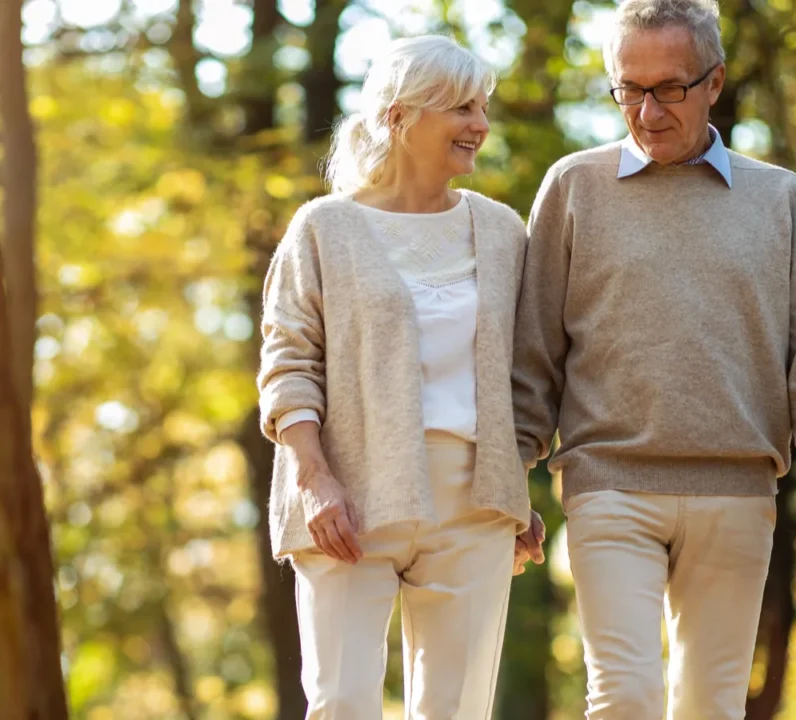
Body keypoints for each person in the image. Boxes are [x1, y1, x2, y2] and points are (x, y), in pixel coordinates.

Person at [511, 1, 796, 718]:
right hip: (607, 480)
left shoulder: (781, 201)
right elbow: (531, 352)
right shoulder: (574, 189)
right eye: (628, 89)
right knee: (625, 696)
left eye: (669, 87)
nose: (646, 112)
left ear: (714, 82)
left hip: (736, 488)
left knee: (712, 705)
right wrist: (508, 476)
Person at [257, 34, 545, 719]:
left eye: (482, 107)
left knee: (457, 710)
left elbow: (527, 374)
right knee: (341, 703)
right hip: (349, 497)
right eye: (461, 108)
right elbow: (287, 359)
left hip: (473, 502)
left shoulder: (503, 233)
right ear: (399, 117)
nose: (480, 124)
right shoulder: (324, 227)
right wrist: (313, 476)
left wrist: (515, 480)